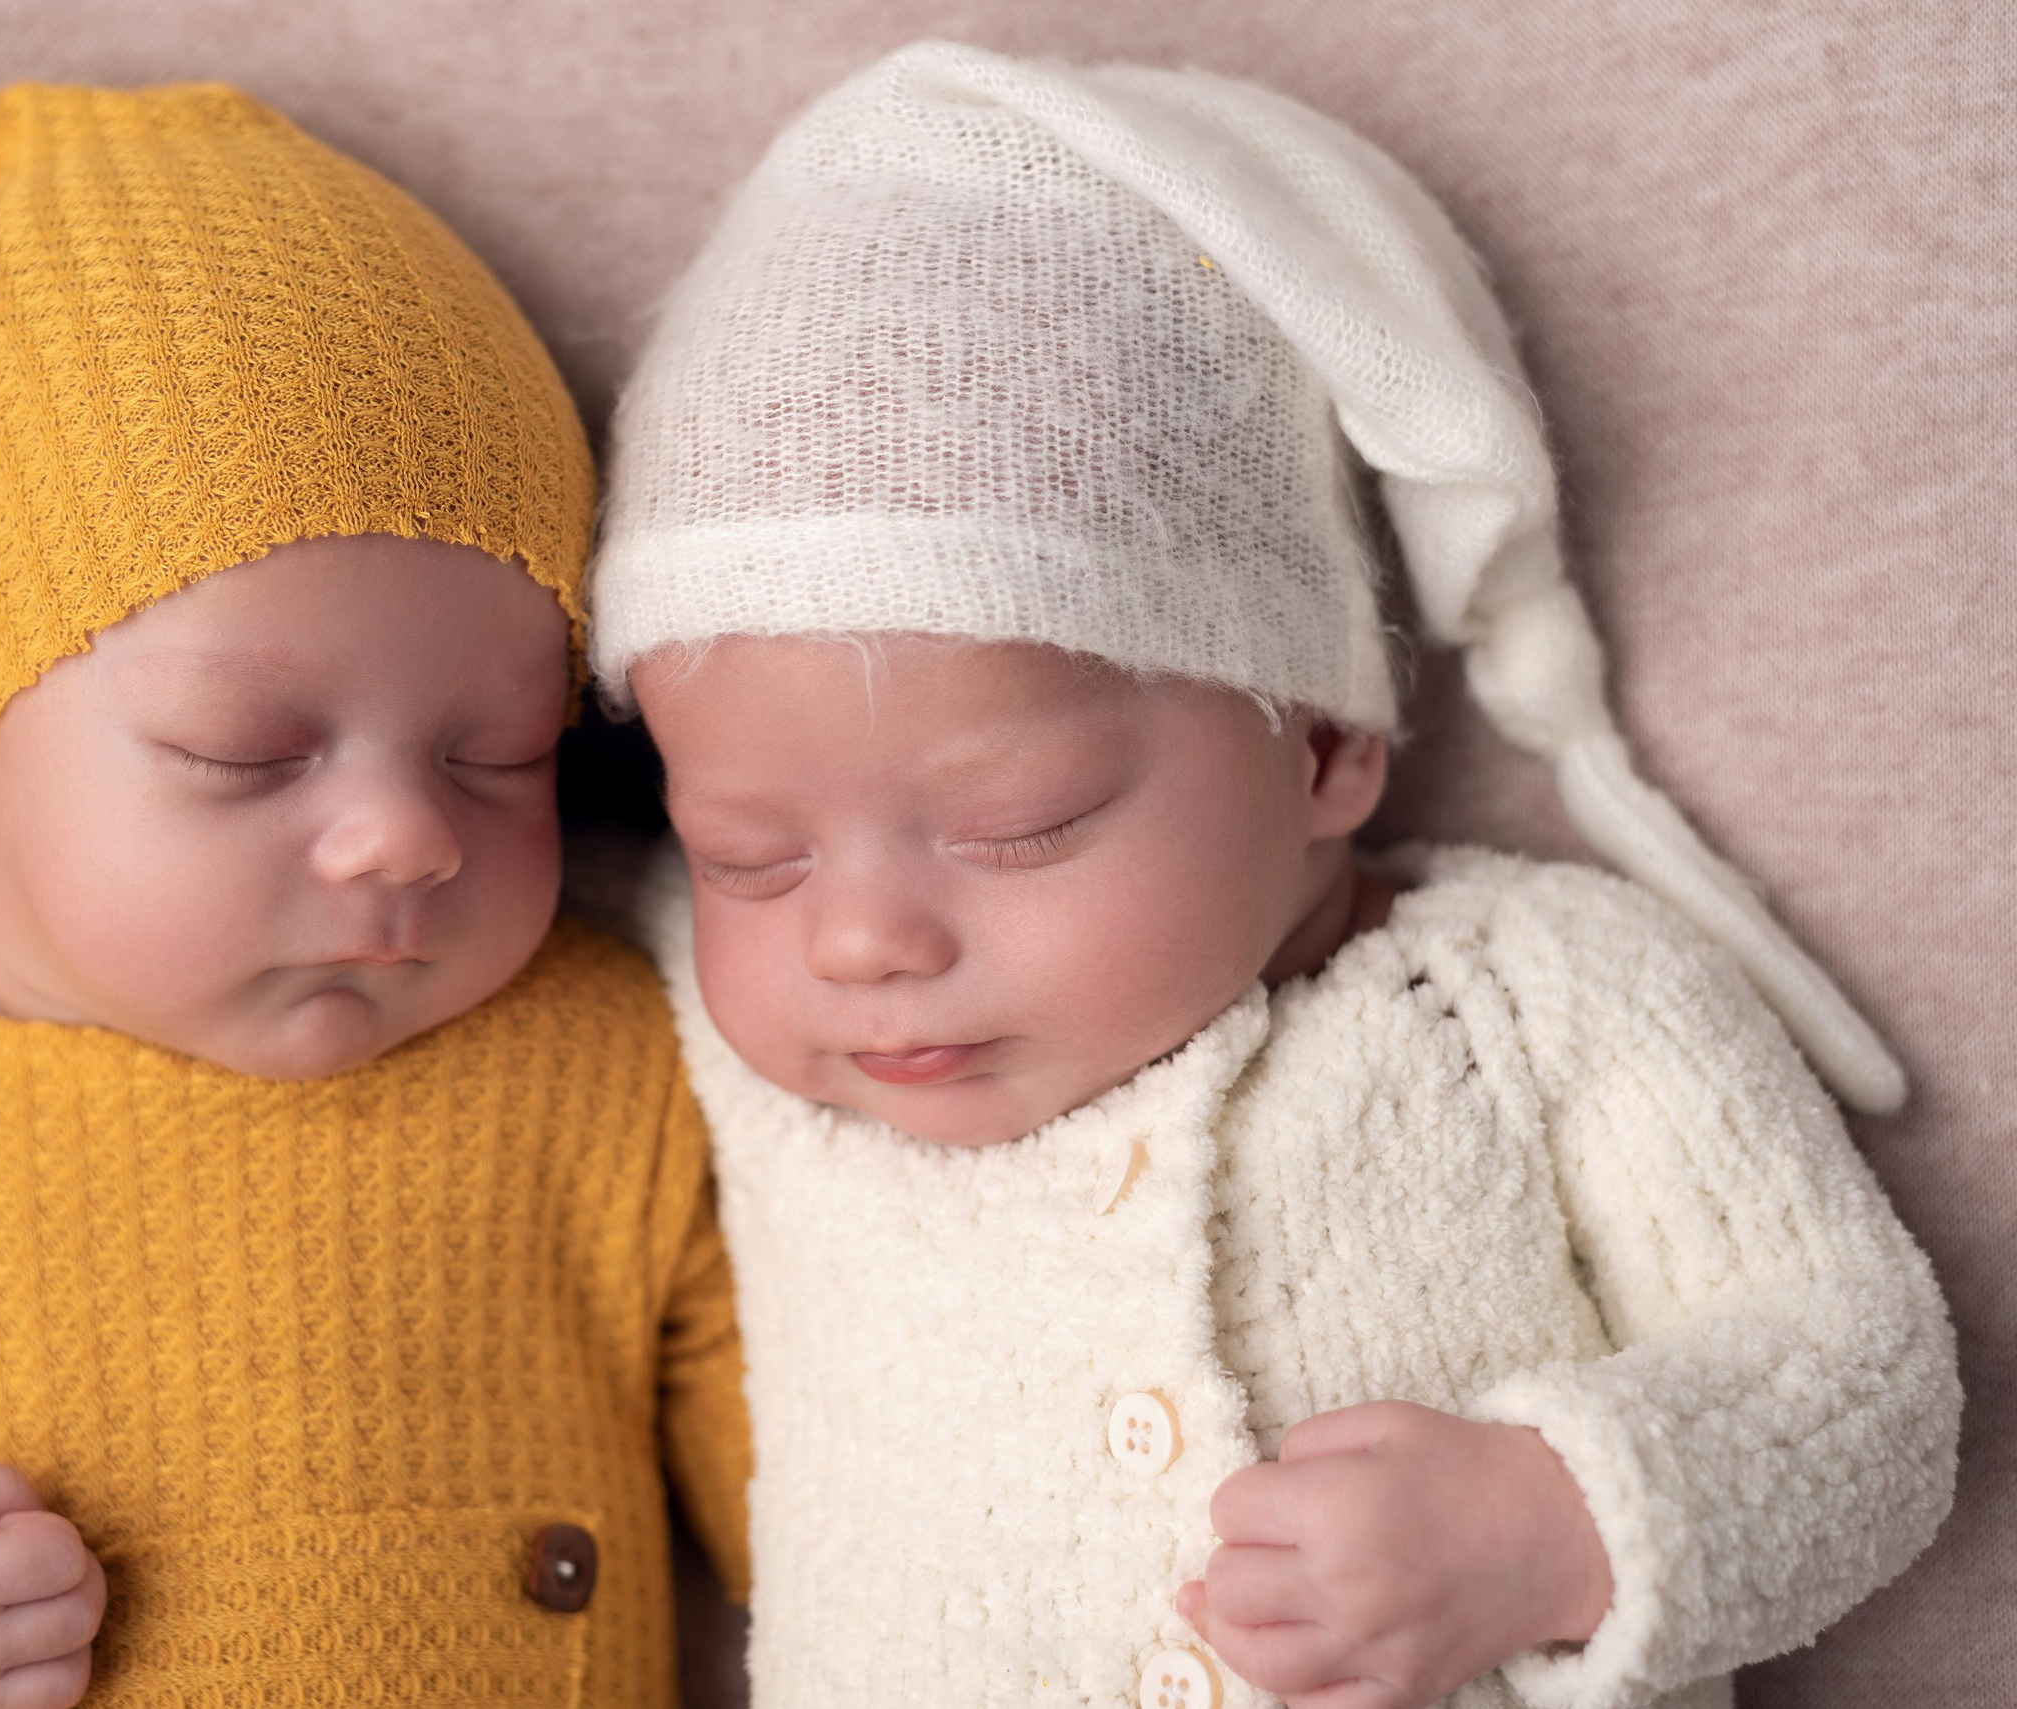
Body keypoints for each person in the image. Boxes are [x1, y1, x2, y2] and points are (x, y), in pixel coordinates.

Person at [583, 43, 1955, 1709]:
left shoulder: (1535, 992)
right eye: (750, 851)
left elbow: (1863, 1376)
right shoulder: (707, 1018)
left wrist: (1556, 1519)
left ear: (1317, 744)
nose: (860, 936)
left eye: (1018, 822)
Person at [0, 83, 747, 1709]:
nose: (405, 836)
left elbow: (802, 1449)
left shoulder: (604, 1065)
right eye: (247, 751)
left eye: (502, 753)